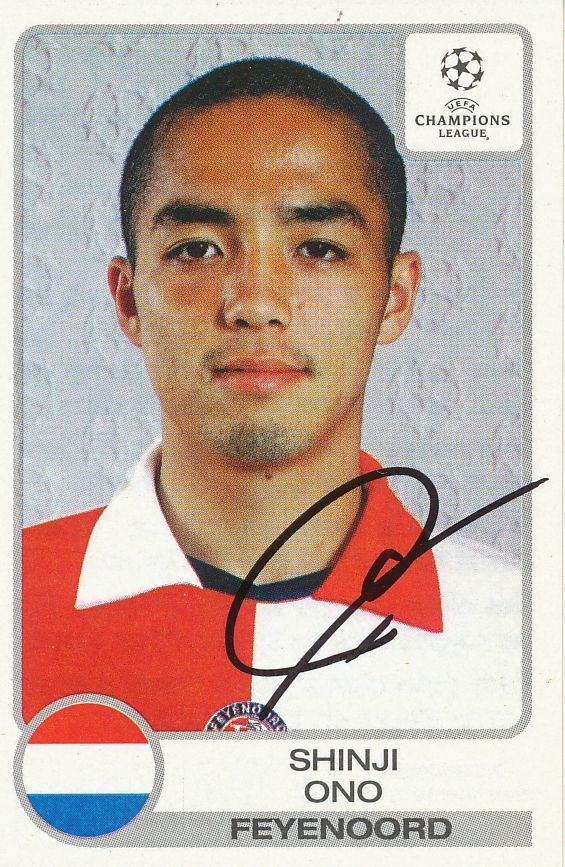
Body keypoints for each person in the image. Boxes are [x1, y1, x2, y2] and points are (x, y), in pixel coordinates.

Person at [22, 58, 521, 733]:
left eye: (318, 248)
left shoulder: (518, 628)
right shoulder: (15, 601)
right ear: (128, 299)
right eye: (197, 249)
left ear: (394, 298)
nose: (256, 304)